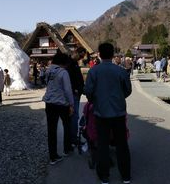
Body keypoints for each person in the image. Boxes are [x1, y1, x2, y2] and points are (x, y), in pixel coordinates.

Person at [85, 42, 132, 184]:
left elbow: (88, 92)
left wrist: (95, 100)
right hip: (118, 112)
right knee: (122, 144)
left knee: (103, 144)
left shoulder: (93, 71)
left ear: (99, 54)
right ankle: (126, 176)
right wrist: (118, 97)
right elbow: (128, 90)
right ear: (113, 54)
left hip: (101, 113)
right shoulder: (121, 71)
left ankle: (104, 176)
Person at [42, 52, 74, 165]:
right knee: (67, 125)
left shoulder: (48, 71)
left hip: (49, 103)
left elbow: (47, 84)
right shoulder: (63, 72)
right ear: (63, 63)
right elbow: (68, 90)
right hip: (62, 103)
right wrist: (71, 104)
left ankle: (53, 156)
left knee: (51, 130)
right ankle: (67, 149)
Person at [67, 46, 86, 147]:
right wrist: (77, 89)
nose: (81, 59)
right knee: (74, 116)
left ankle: (72, 138)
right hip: (73, 93)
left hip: (76, 92)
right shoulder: (70, 64)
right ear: (78, 53)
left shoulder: (73, 63)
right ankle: (73, 139)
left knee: (74, 116)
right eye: (81, 56)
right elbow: (70, 80)